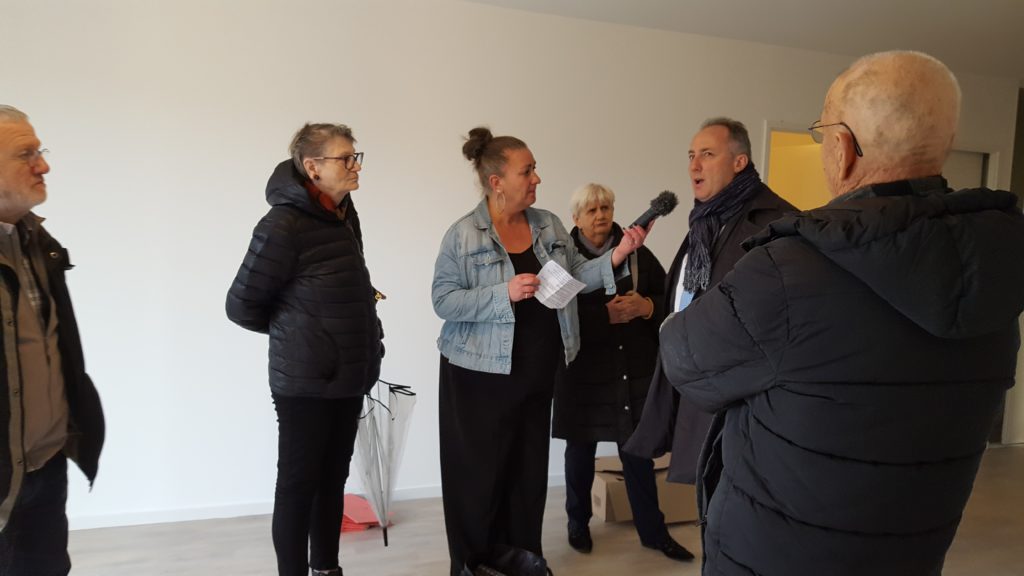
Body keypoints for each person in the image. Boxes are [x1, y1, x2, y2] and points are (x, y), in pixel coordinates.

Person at [659, 51, 1024, 576]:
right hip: (911, 551)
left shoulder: (787, 271)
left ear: (844, 148)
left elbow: (685, 359)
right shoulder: (992, 269)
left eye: (822, 131)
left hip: (778, 555)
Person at [432, 127, 649, 576]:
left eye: (534, 169)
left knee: (526, 477)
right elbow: (444, 301)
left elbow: (576, 276)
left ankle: (522, 561)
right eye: (527, 171)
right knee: (477, 479)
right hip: (477, 378)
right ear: (497, 182)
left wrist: (616, 256)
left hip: (536, 373)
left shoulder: (547, 224)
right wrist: (504, 292)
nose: (537, 178)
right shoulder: (464, 235)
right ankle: (473, 566)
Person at [226, 122, 383, 576]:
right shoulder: (283, 224)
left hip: (349, 374)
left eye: (355, 156)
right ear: (313, 167)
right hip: (305, 381)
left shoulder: (344, 213)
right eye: (345, 158)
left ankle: (327, 569)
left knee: (333, 480)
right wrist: (302, 334)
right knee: (298, 485)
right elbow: (241, 305)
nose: (355, 166)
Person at [625, 118, 793, 483]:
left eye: (707, 154)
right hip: (695, 384)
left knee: (732, 497)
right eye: (691, 156)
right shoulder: (704, 224)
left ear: (739, 162)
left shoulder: (778, 222)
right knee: (708, 499)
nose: (694, 166)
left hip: (740, 399)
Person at [551, 183, 692, 561]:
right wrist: (604, 315)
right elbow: (554, 316)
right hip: (582, 375)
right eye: (592, 210)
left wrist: (647, 307)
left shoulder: (637, 253)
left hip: (633, 373)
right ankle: (577, 524)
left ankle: (653, 533)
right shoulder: (563, 258)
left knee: (638, 455)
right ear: (576, 218)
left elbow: (671, 299)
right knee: (579, 455)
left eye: (606, 207)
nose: (601, 215)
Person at [0, 105, 105, 576]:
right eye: (26, 154)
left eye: (39, 151)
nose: (43, 166)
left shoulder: (38, 242)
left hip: (44, 465)